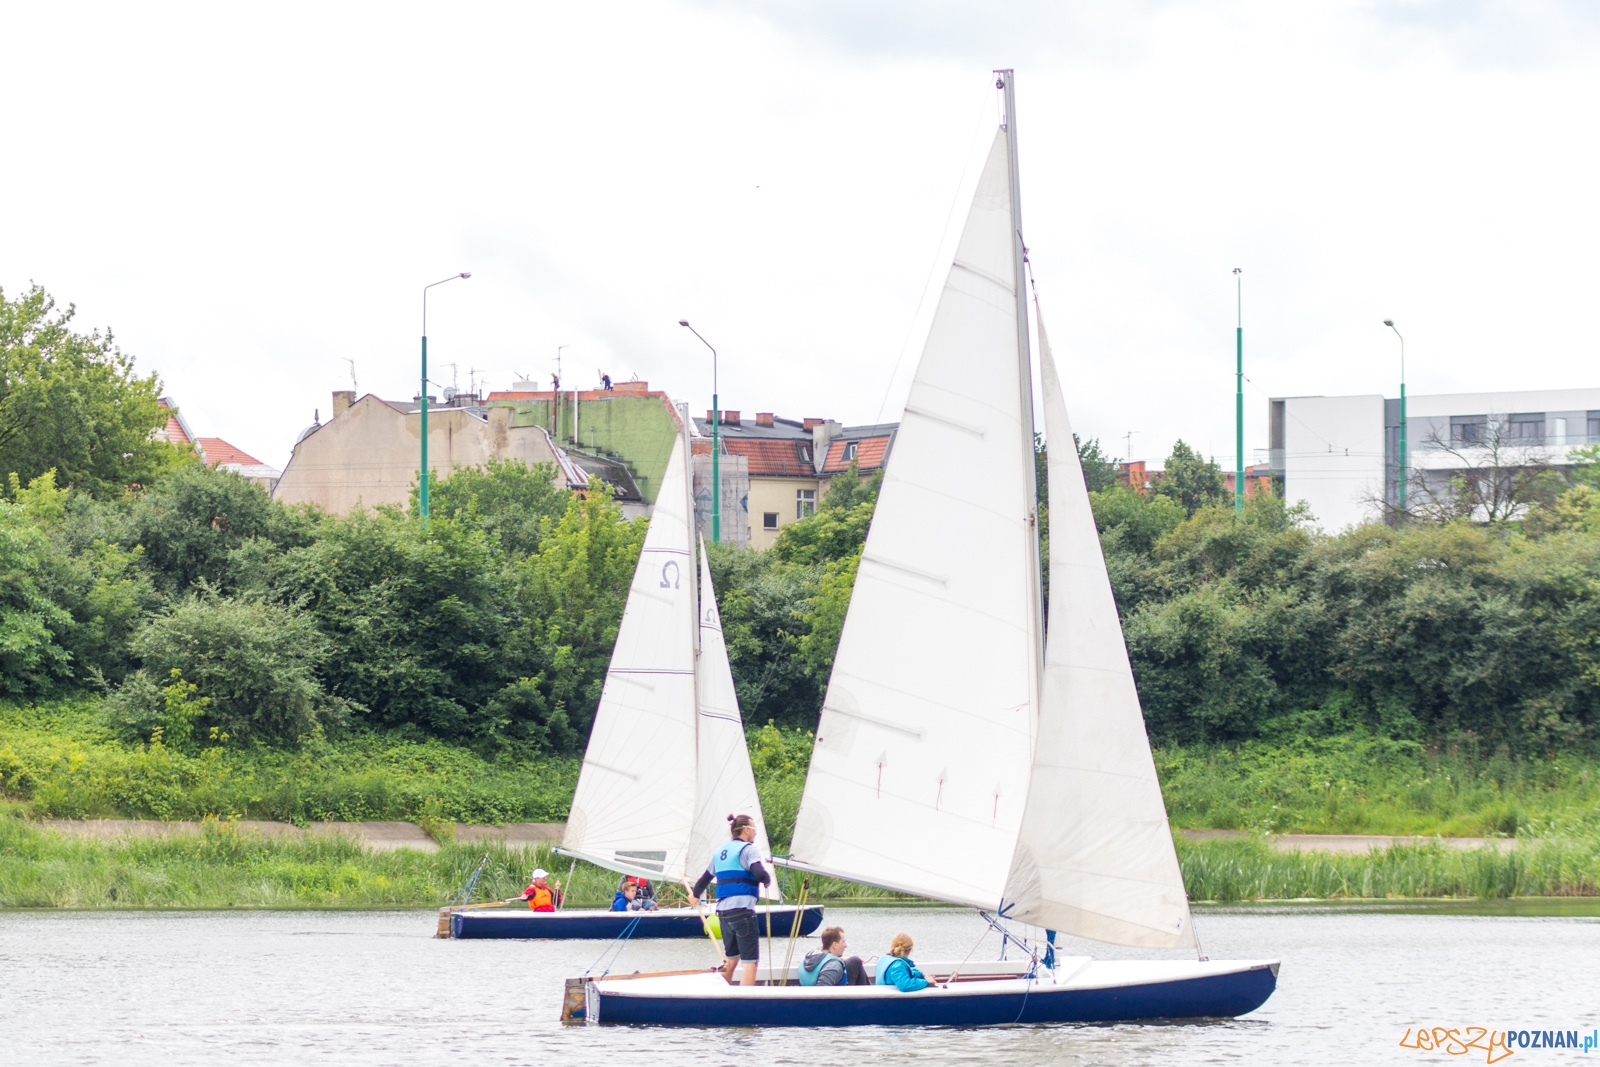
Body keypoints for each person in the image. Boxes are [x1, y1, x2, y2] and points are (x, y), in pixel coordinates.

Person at [690, 813, 772, 987]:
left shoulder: (719, 852)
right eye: (755, 830)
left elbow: (703, 880)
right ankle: (744, 1003)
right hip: (742, 912)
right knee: (750, 963)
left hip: (724, 914)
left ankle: (722, 994)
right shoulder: (748, 849)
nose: (756, 834)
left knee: (732, 960)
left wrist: (695, 895)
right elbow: (758, 873)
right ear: (746, 830)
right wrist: (766, 879)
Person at [798, 926, 870, 986]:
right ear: (835, 945)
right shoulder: (833, 966)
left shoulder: (810, 957)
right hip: (835, 1002)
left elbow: (825, 958)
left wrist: (842, 959)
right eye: (843, 942)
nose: (846, 945)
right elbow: (821, 995)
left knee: (853, 961)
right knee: (855, 960)